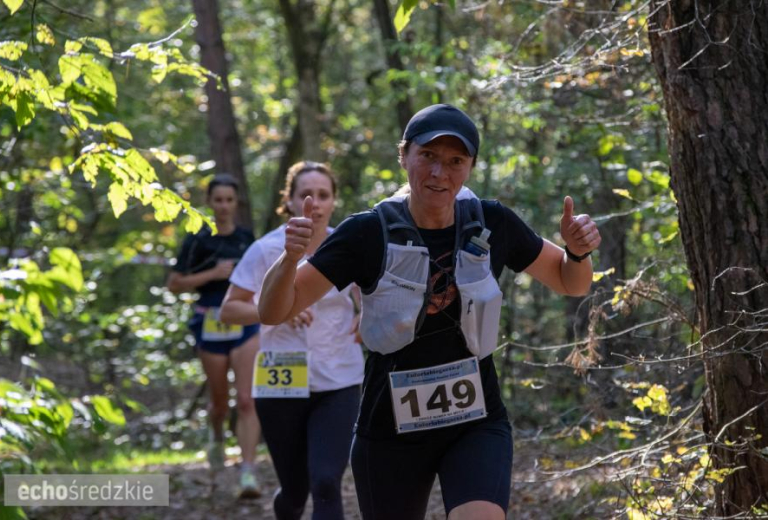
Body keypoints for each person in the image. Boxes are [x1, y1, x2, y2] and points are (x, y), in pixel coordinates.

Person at [257, 104, 602, 520]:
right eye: (428, 157)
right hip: (389, 430)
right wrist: (289, 259)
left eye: (455, 161)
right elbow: (276, 310)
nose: (440, 173)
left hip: (475, 422)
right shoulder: (366, 232)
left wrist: (577, 252)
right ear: (404, 156)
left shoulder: (491, 222)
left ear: (470, 167)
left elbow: (570, 282)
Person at [220, 161, 364, 520]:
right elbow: (229, 310)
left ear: (333, 202)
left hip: (340, 377)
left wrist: (368, 315)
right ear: (290, 200)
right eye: (305, 195)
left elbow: (372, 295)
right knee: (296, 492)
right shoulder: (266, 249)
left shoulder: (349, 246)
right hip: (281, 378)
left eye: (324, 195)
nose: (314, 203)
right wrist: (275, 307)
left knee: (327, 482)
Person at [166, 173, 263, 499]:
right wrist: (213, 273)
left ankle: (248, 471)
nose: (223, 206)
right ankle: (217, 433)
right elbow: (174, 283)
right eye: (218, 200)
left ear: (236, 204)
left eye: (229, 200)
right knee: (220, 402)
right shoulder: (196, 238)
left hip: (245, 323)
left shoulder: (247, 237)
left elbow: (263, 278)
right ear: (209, 202)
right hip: (210, 322)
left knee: (247, 399)